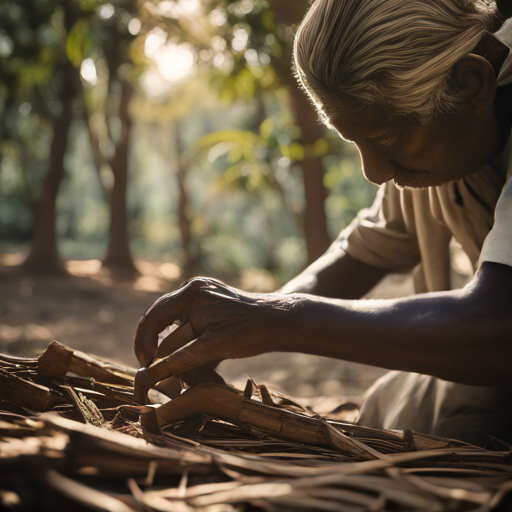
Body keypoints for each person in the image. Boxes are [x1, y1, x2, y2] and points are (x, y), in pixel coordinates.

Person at [133, 0, 512, 447]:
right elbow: (360, 254)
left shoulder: (439, 126)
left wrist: (283, 320)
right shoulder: (438, 131)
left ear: (471, 84)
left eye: (387, 137)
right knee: (386, 409)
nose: (374, 172)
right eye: (356, 142)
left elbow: (499, 327)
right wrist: (241, 318)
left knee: (462, 425)